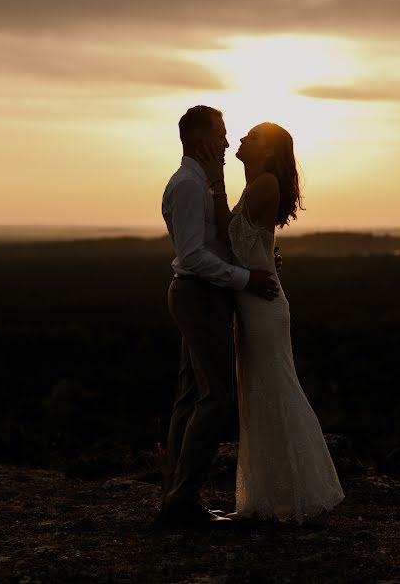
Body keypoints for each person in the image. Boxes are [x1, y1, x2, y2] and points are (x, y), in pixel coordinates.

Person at [198, 121, 345, 523]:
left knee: (271, 390)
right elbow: (246, 240)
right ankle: (271, 497)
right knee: (260, 391)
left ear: (267, 152)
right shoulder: (258, 184)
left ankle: (290, 497)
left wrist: (214, 181)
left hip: (262, 304)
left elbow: (228, 235)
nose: (242, 140)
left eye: (252, 137)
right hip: (255, 298)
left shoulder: (263, 184)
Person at [158, 106, 279, 527]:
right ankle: (183, 500)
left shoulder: (199, 182)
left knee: (191, 395)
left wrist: (255, 253)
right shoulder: (189, 186)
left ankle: (176, 494)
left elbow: (217, 241)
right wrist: (243, 278)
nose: (228, 143)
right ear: (200, 140)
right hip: (200, 296)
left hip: (202, 295)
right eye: (222, 135)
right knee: (216, 398)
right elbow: (191, 255)